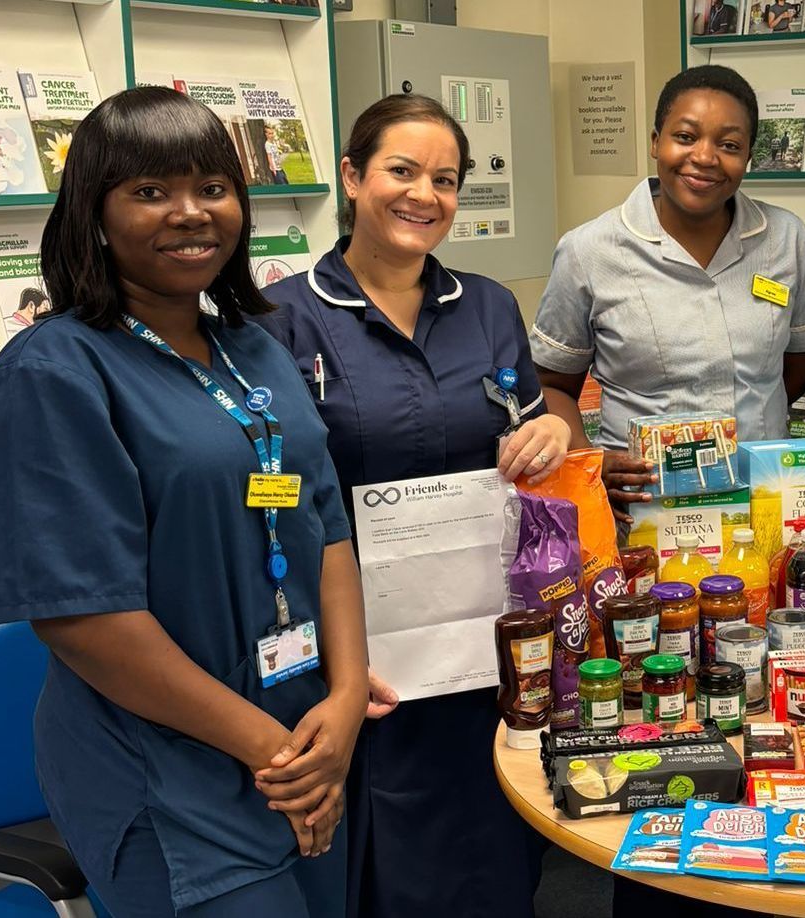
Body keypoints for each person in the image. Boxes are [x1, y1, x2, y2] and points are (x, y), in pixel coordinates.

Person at [0, 86, 369, 917]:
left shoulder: (252, 348)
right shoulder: (54, 374)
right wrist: (277, 752)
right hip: (167, 770)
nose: (190, 214)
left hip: (303, 734)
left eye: (212, 189)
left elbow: (324, 523)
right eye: (150, 192)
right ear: (95, 211)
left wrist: (343, 698)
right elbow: (82, 617)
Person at [256, 94, 569, 918]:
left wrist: (548, 438)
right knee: (382, 862)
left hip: (481, 640)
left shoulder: (491, 305)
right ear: (354, 177)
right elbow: (270, 493)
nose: (423, 195)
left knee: (498, 845)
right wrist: (329, 655)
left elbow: (530, 428)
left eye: (445, 178)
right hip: (361, 652)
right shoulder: (281, 319)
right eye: (401, 171)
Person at [533, 65, 805, 524]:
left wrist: (749, 410)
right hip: (645, 510)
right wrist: (590, 463)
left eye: (729, 145)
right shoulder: (589, 250)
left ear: (748, 157)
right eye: (686, 137)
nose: (705, 157)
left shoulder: (785, 239)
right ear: (655, 142)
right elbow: (553, 384)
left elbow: (802, 359)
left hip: (764, 498)